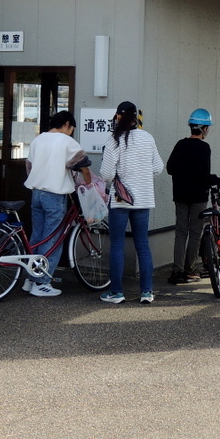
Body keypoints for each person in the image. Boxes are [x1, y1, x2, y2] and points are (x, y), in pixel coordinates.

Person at [98, 101, 165, 305]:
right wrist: (141, 177)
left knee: (117, 246)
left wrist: (119, 180)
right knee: (143, 245)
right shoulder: (147, 138)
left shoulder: (114, 139)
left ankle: (116, 293)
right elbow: (158, 167)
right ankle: (146, 292)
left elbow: (106, 174)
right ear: (136, 117)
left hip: (120, 200)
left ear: (118, 116)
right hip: (143, 200)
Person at [22, 110, 93, 297]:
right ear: (67, 124)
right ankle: (42, 283)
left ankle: (31, 278)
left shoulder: (38, 140)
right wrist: (89, 184)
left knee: (37, 236)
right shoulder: (66, 141)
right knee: (52, 238)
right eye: (72, 129)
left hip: (36, 193)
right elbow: (84, 166)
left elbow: (29, 167)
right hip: (54, 195)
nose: (71, 133)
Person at [166, 108, 220, 285]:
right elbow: (203, 176)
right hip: (198, 197)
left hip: (180, 195)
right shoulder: (204, 148)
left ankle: (177, 271)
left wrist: (184, 174)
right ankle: (189, 271)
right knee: (195, 233)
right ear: (204, 129)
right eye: (208, 128)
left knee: (181, 233)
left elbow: (170, 168)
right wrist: (219, 180)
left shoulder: (180, 144)